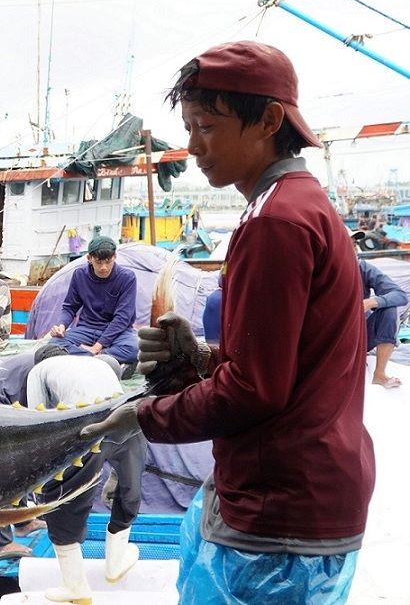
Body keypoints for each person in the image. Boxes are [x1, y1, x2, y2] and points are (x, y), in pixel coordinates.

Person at [82, 41, 375, 603]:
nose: (193, 146)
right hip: (304, 487)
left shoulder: (275, 222)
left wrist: (144, 417)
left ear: (269, 120)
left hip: (279, 513)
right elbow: (287, 363)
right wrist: (202, 359)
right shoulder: (299, 204)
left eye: (207, 127)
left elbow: (255, 391)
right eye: (189, 128)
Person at [26, 344, 146, 600]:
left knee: (61, 497)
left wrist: (39, 481)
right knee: (129, 490)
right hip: (127, 420)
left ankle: (75, 585)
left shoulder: (38, 371)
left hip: (86, 427)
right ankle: (115, 565)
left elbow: (38, 422)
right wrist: (117, 473)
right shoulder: (96, 362)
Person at [47, 236, 138, 368]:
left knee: (135, 349)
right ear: (89, 258)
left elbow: (123, 318)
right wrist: (62, 325)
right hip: (86, 329)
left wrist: (96, 348)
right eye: (98, 262)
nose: (103, 267)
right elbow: (69, 307)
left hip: (117, 332)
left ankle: (92, 355)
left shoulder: (127, 277)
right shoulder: (79, 275)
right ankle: (102, 358)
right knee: (53, 345)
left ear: (115, 257)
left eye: (108, 262)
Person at [357, 249, 408, 388]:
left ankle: (379, 374)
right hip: (328, 336)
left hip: (358, 334)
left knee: (390, 309)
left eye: (354, 244)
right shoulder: (320, 270)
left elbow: (400, 295)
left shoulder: (362, 268)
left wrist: (370, 302)